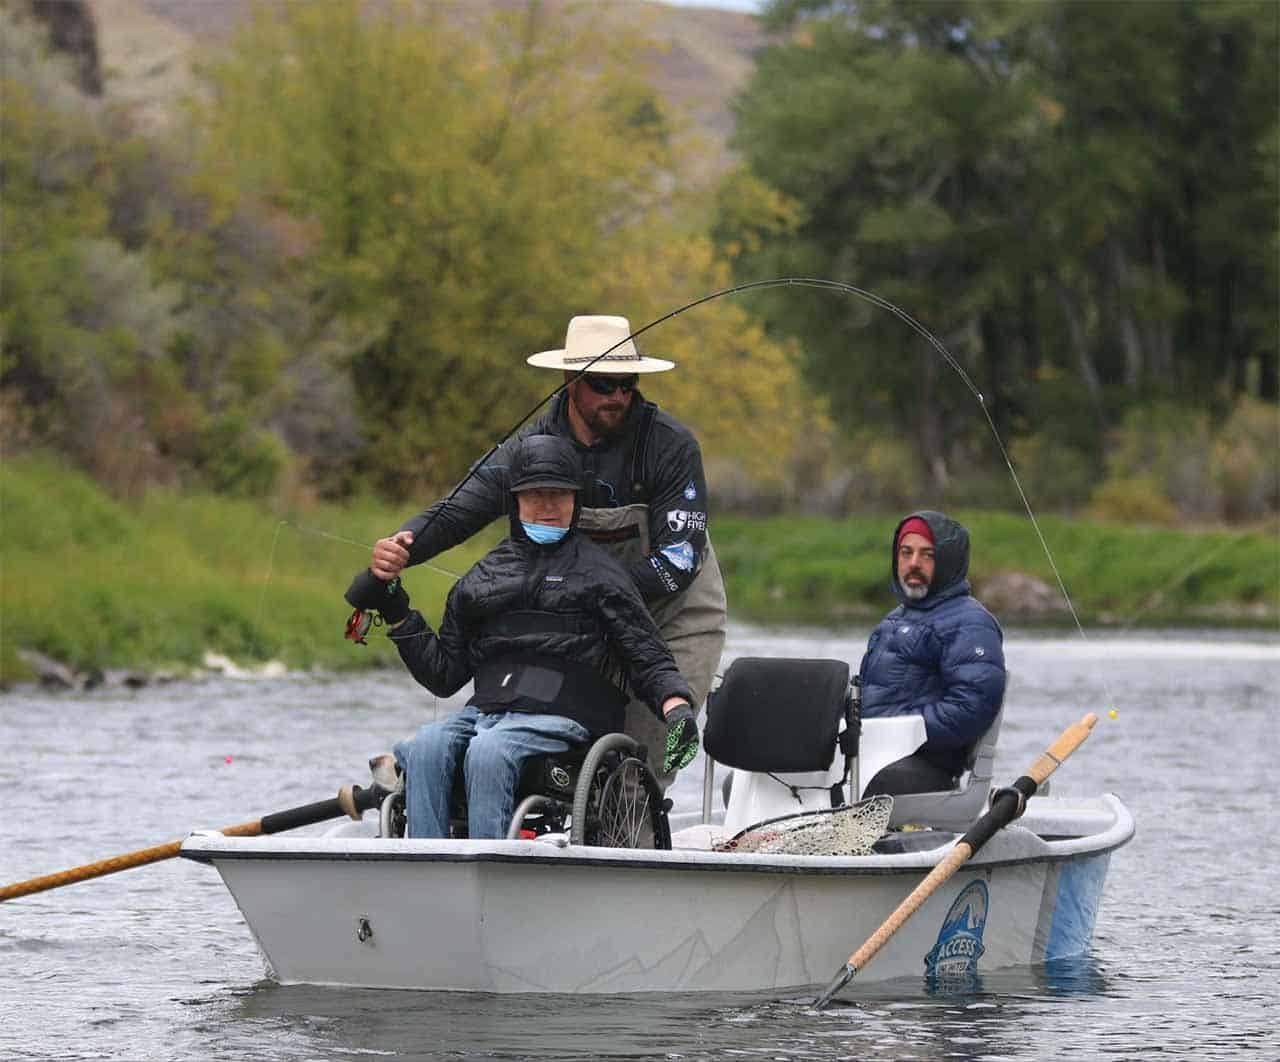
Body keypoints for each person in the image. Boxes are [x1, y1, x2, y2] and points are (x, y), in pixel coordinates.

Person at [368, 315, 726, 789]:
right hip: (580, 612)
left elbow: (679, 562)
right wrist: (401, 548)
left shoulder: (671, 445)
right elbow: (458, 511)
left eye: (628, 384)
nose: (618, 398)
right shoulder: (532, 447)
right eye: (603, 384)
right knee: (553, 756)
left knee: (636, 766)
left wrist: (590, 594)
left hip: (672, 614)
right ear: (570, 381)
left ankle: (633, 840)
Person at [346, 434, 700, 840]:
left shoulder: (604, 575)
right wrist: (395, 610)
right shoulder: (481, 579)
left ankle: (491, 864)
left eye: (559, 495)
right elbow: (443, 676)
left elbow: (647, 655)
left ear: (575, 501)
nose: (547, 506)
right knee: (426, 745)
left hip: (566, 718)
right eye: (535, 495)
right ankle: (427, 863)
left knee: (489, 752)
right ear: (516, 501)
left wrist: (678, 711)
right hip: (487, 714)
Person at [856, 511, 1006, 797]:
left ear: (947, 562)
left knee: (851, 777)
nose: (913, 563)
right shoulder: (893, 621)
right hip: (873, 752)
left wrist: (897, 733)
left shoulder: (970, 622)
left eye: (927, 555)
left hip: (924, 768)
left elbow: (971, 708)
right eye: (906, 552)